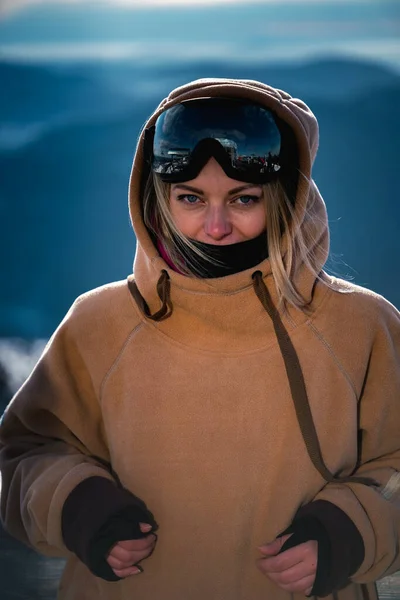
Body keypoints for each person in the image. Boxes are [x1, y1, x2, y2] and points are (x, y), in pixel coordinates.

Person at [0, 78, 399, 600]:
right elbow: (23, 454)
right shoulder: (101, 323)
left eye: (243, 198)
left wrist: (351, 531)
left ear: (286, 197)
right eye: (191, 198)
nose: (214, 225)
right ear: (158, 197)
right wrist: (77, 504)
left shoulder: (358, 326)